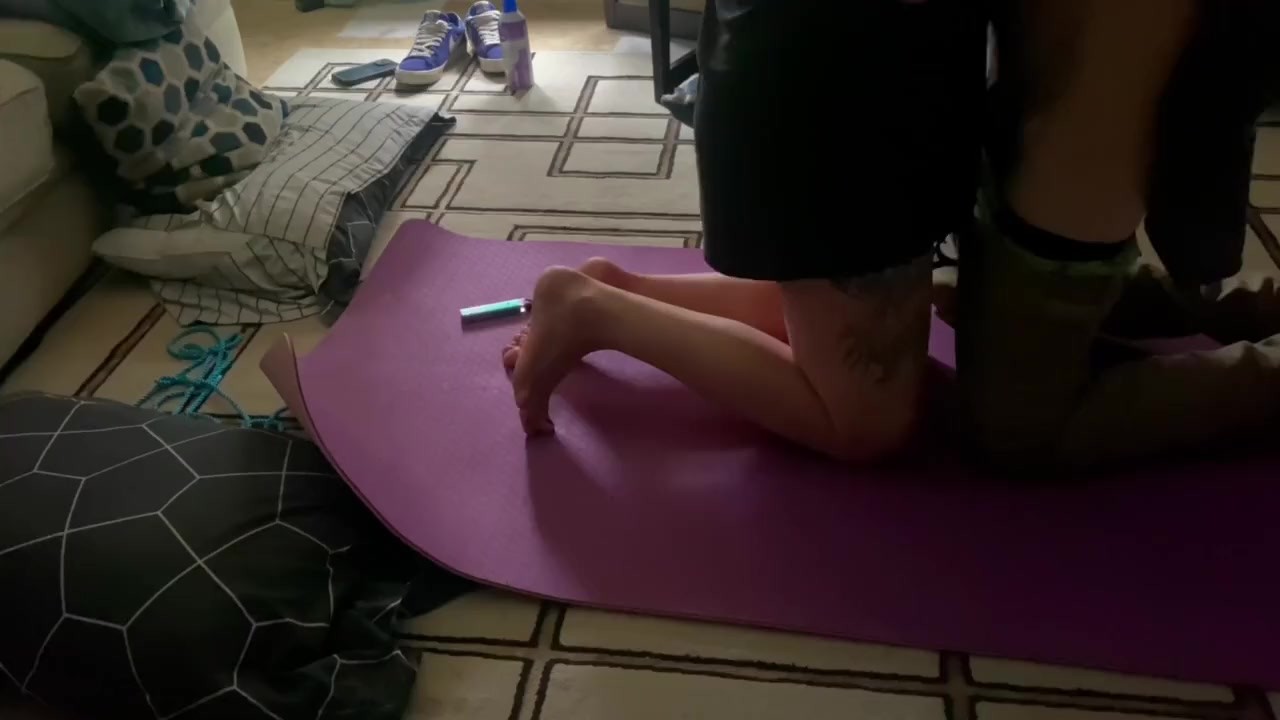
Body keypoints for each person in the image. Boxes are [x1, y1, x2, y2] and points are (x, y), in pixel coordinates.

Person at [503, 0, 1280, 469]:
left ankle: (619, 292)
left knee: (845, 315)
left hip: (883, 90)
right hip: (838, 101)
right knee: (867, 425)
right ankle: (595, 311)